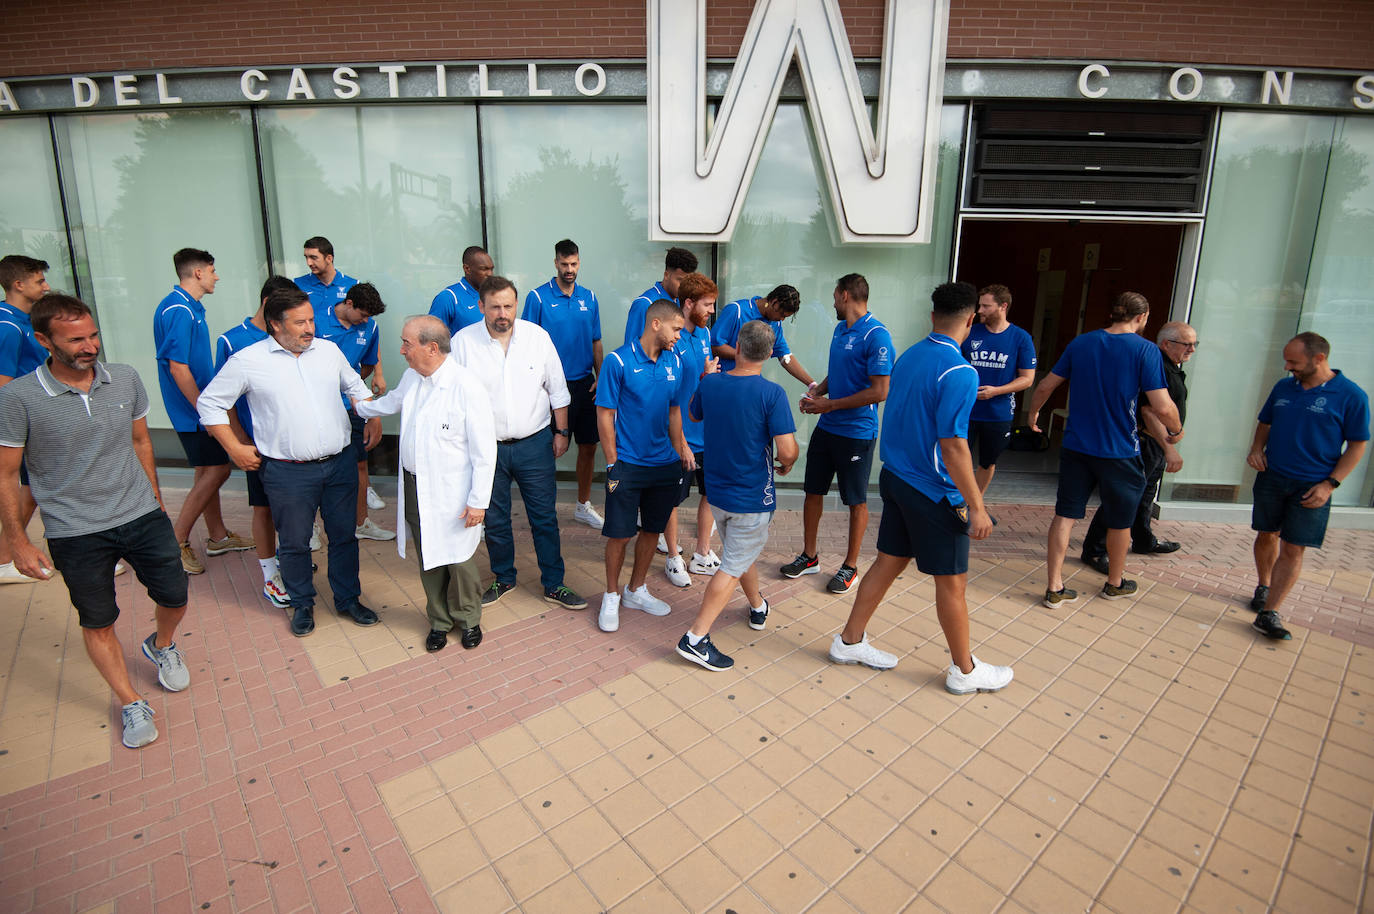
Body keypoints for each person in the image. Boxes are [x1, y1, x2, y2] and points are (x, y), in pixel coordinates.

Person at [0, 294, 190, 749]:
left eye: (93, 335)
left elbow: (142, 441)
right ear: (43, 340)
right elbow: (6, 472)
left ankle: (161, 644)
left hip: (140, 513)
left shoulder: (124, 378)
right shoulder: (18, 397)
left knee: (176, 595)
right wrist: (18, 543)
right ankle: (129, 701)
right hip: (74, 529)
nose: (89, 346)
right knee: (98, 619)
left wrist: (157, 501)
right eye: (76, 339)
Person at [827, 282, 1014, 694]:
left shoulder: (909, 355)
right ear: (972, 319)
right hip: (932, 491)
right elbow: (954, 446)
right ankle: (965, 671)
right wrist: (976, 506)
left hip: (895, 480)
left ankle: (849, 642)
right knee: (952, 582)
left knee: (889, 562)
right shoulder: (961, 372)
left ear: (933, 316)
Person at [198, 286, 379, 638]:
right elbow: (209, 404)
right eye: (300, 323)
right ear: (275, 325)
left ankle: (348, 599)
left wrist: (371, 412)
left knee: (343, 537)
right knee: (295, 542)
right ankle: (302, 603)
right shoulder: (248, 361)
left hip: (339, 463)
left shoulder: (327, 351)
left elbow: (355, 386)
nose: (310, 328)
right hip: (287, 472)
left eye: (311, 319)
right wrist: (233, 446)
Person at [1026, 292, 1182, 608]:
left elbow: (1045, 385)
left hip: (1076, 446)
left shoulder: (1081, 343)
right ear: (1143, 317)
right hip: (1120, 450)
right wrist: (1176, 430)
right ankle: (1114, 583)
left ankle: (1054, 587)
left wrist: (1033, 415)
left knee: (1065, 515)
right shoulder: (1145, 350)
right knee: (1120, 520)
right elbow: (1163, 406)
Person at [355, 316, 496, 651]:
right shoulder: (413, 377)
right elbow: (391, 402)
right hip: (416, 486)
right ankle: (439, 621)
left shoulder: (466, 386)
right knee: (428, 555)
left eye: (407, 343)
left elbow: (484, 453)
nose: (401, 351)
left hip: (454, 491)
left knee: (459, 560)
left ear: (432, 348)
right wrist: (359, 405)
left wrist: (478, 501)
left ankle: (469, 620)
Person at [451, 276, 587, 611]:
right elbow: (452, 397)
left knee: (543, 517)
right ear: (481, 306)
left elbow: (557, 389)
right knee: (495, 518)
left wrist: (562, 432)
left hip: (534, 444)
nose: (502, 313)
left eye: (508, 306)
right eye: (495, 306)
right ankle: (504, 578)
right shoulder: (463, 343)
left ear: (516, 306)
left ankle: (554, 583)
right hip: (486, 449)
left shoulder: (537, 338)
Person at [676, 320, 798, 671]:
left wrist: (705, 376)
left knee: (738, 554)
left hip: (717, 492)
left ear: (738, 348)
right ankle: (695, 638)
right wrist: (787, 463)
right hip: (752, 498)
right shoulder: (772, 394)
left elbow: (694, 413)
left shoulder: (712, 383)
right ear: (771, 354)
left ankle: (757, 605)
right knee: (731, 565)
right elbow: (788, 451)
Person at [1245, 332, 1369, 640]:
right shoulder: (1284, 387)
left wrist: (1331, 484)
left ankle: (1269, 612)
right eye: (1286, 360)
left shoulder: (1351, 396)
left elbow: (1357, 445)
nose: (1288, 367)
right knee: (1266, 534)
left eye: (1294, 361)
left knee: (1294, 547)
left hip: (1313, 484)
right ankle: (1264, 585)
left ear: (1320, 358)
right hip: (1273, 476)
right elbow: (1265, 422)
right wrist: (1257, 448)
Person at [786, 274, 892, 593]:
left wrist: (829, 406)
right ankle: (809, 557)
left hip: (857, 432)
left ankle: (850, 567)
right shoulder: (839, 328)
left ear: (845, 295)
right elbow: (840, 373)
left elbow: (880, 391)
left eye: (834, 295)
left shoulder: (877, 336)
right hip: (827, 428)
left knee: (855, 501)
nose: (832, 301)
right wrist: (819, 391)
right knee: (812, 492)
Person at [153, 248, 253, 575]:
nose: (216, 276)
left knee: (207, 470)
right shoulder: (179, 309)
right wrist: (205, 413)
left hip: (196, 408)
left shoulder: (190, 307)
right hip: (191, 411)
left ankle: (218, 536)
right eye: (212, 270)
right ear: (198, 273)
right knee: (219, 470)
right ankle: (175, 541)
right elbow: (177, 367)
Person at [596, 299, 694, 632]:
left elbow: (674, 411)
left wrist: (681, 448)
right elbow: (605, 415)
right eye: (677, 329)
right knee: (620, 535)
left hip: (664, 465)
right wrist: (612, 464)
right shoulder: (617, 361)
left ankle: (635, 590)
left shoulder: (675, 362)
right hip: (626, 466)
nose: (680, 336)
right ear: (656, 324)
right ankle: (611, 594)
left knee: (653, 531)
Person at [1081, 321, 1197, 572]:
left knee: (1144, 495)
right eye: (1186, 344)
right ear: (1166, 344)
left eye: (1194, 344)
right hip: (1146, 441)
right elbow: (1149, 410)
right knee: (1123, 497)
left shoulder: (1171, 367)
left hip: (1156, 444)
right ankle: (1095, 549)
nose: (1192, 349)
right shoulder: (1159, 368)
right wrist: (1170, 445)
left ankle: (1143, 539)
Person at [214, 275, 300, 608]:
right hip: (257, 445)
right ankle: (269, 575)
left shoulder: (297, 336)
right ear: (268, 305)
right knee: (263, 509)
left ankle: (288, 560)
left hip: (293, 447)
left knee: (294, 510)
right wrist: (238, 441)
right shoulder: (233, 341)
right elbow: (222, 400)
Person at [522, 239, 604, 530]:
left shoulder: (590, 297)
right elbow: (526, 344)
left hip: (584, 383)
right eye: (564, 264)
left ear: (579, 263)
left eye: (574, 264)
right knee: (548, 449)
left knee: (588, 445)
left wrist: (601, 376)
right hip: (551, 387)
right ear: (555, 263)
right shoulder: (538, 297)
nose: (569, 269)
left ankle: (583, 505)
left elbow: (596, 341)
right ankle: (544, 510)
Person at [312, 281, 394, 543]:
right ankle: (310, 529)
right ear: (348, 304)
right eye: (363, 314)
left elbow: (368, 364)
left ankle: (362, 523)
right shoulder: (316, 320)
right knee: (313, 467)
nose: (366, 320)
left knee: (359, 463)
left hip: (352, 406)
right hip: (317, 406)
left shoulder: (370, 327)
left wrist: (356, 390)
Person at [663, 273, 723, 583]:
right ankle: (673, 557)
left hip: (706, 435)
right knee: (672, 498)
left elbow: (702, 382)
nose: (712, 310)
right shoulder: (672, 338)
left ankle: (701, 553)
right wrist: (681, 440)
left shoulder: (704, 333)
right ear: (688, 304)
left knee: (710, 494)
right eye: (708, 305)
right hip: (679, 436)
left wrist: (709, 376)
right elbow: (668, 393)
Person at [0, 255, 53, 583]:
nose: (46, 286)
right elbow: (3, 383)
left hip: (30, 418)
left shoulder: (20, 319)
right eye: (39, 281)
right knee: (33, 488)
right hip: (22, 421)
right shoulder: (7, 326)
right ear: (18, 285)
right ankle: (7, 559)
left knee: (35, 488)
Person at [961, 284, 1037, 493]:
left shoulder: (1020, 337)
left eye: (986, 306)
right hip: (966, 410)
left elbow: (1027, 379)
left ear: (1003, 306)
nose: (980, 311)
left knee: (988, 462)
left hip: (998, 413)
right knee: (957, 458)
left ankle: (974, 504)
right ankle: (955, 503)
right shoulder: (970, 332)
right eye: (980, 305)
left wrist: (996, 391)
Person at [710, 283, 816, 385]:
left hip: (752, 384)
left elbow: (785, 356)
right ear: (774, 302)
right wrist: (747, 356)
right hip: (725, 381)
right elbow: (715, 346)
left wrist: (812, 384)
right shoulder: (737, 310)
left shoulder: (775, 323)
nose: (782, 319)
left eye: (785, 317)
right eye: (782, 314)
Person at [623, 246, 697, 344]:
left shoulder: (683, 303)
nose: (685, 286)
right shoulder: (645, 304)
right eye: (680, 281)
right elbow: (631, 349)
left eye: (688, 281)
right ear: (666, 275)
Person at [430, 245, 494, 335]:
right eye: (484, 269)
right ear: (467, 269)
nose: (490, 274)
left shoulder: (492, 296)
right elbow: (432, 337)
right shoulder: (449, 297)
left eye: (491, 269)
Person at [293, 235, 357, 311]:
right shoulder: (296, 285)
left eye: (313, 258)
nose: (308, 263)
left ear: (329, 258)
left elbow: (364, 318)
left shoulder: (353, 286)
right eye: (306, 257)